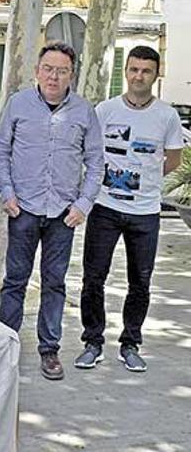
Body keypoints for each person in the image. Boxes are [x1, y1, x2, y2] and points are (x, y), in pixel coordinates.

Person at [0, 42, 104, 381]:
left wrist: (83, 204)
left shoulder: (85, 111)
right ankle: (5, 346)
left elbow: (96, 162)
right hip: (23, 208)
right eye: (48, 69)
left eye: (62, 70)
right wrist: (7, 194)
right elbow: (0, 152)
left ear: (72, 74)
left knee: (54, 283)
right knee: (15, 280)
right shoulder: (18, 104)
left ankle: (49, 349)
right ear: (37, 71)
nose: (54, 76)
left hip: (63, 213)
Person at [74, 46, 184, 373]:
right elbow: (90, 154)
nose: (139, 76)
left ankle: (130, 343)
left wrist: (147, 180)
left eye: (146, 71)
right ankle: (92, 342)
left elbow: (174, 160)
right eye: (134, 69)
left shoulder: (167, 115)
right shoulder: (105, 111)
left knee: (141, 281)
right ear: (126, 71)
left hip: (146, 212)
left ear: (156, 73)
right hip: (104, 208)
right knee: (93, 278)